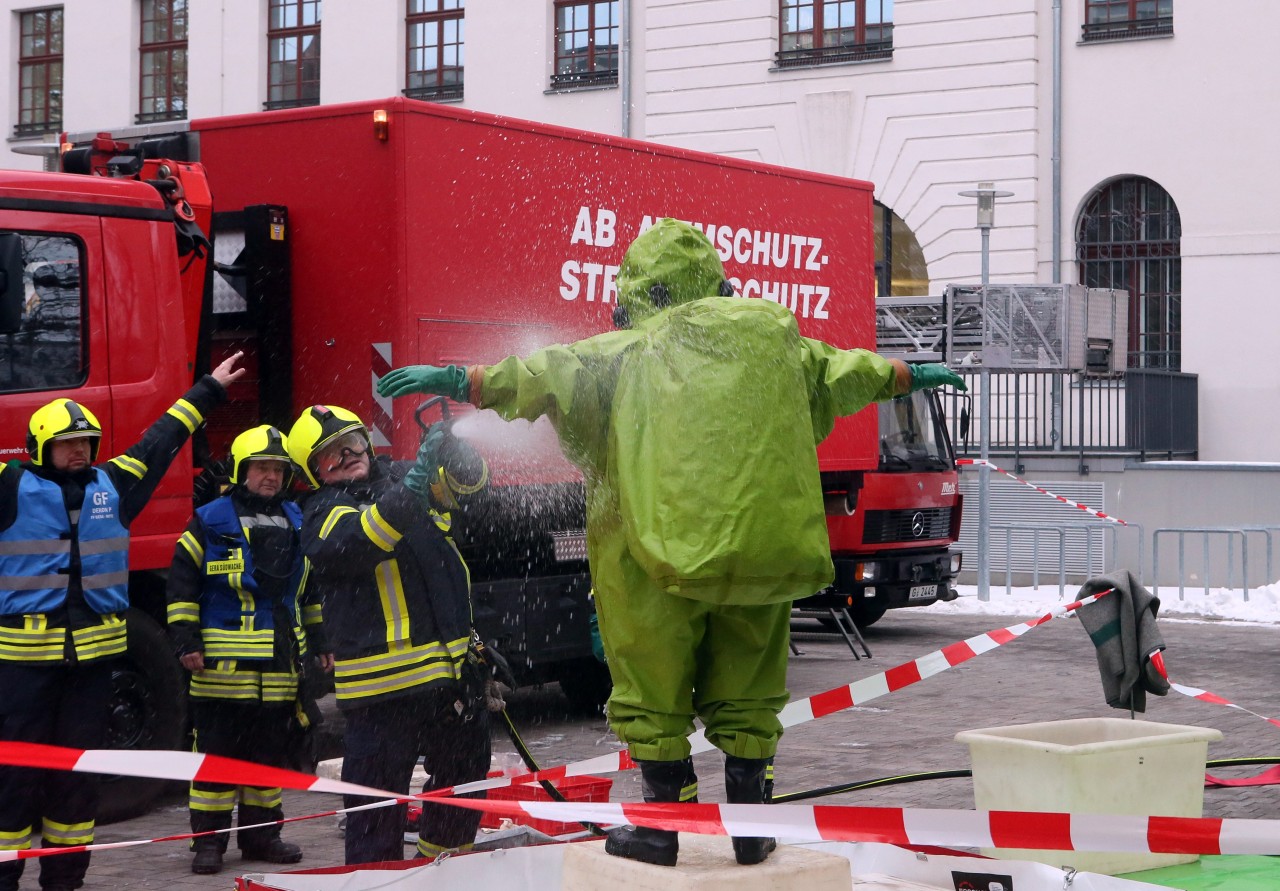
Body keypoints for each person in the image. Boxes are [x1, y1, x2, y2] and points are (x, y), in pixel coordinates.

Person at [377, 218, 968, 868]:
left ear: (640, 290)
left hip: (648, 558)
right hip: (760, 556)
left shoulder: (626, 350)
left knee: (651, 687)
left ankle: (662, 827)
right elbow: (846, 371)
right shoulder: (773, 342)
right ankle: (750, 824)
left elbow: (544, 373)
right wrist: (910, 373)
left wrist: (466, 383)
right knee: (749, 690)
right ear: (714, 281)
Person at [0, 352, 245, 891]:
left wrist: (207, 391)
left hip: (90, 672)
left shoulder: (112, 486)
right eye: (67, 445)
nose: (78, 454)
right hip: (21, 672)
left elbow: (158, 444)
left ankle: (64, 878)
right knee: (11, 780)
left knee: (77, 782)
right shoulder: (10, 488)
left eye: (86, 444)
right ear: (41, 447)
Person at [286, 404, 493, 865]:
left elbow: (474, 490)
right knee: (376, 809)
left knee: (465, 780)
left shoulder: (404, 476)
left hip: (449, 678)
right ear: (313, 472)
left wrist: (455, 452)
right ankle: (376, 878)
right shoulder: (321, 512)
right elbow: (365, 536)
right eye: (330, 456)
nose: (346, 456)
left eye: (352, 443)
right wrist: (414, 486)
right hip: (384, 692)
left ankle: (440, 870)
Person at [166, 425, 333, 875]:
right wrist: (185, 639)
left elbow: (309, 592)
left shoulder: (298, 520)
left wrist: (320, 643)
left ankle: (263, 837)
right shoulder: (211, 519)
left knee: (266, 761)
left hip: (280, 669)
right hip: (222, 669)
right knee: (218, 760)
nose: (271, 477)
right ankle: (209, 844)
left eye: (279, 470)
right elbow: (182, 582)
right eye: (262, 468)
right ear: (242, 470)